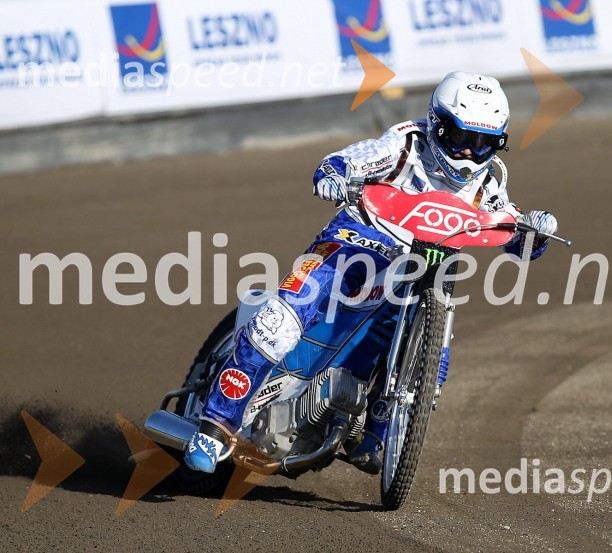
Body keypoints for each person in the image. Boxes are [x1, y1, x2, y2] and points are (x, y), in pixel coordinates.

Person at [183, 71, 559, 475]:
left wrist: (535, 232)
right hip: (353, 243)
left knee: (435, 354)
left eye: (484, 143)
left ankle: (376, 432)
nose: (470, 153)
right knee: (277, 322)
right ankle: (215, 426)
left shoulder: (490, 181)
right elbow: (352, 159)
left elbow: (511, 232)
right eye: (462, 138)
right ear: (437, 124)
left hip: (422, 266)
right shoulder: (405, 144)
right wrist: (335, 174)